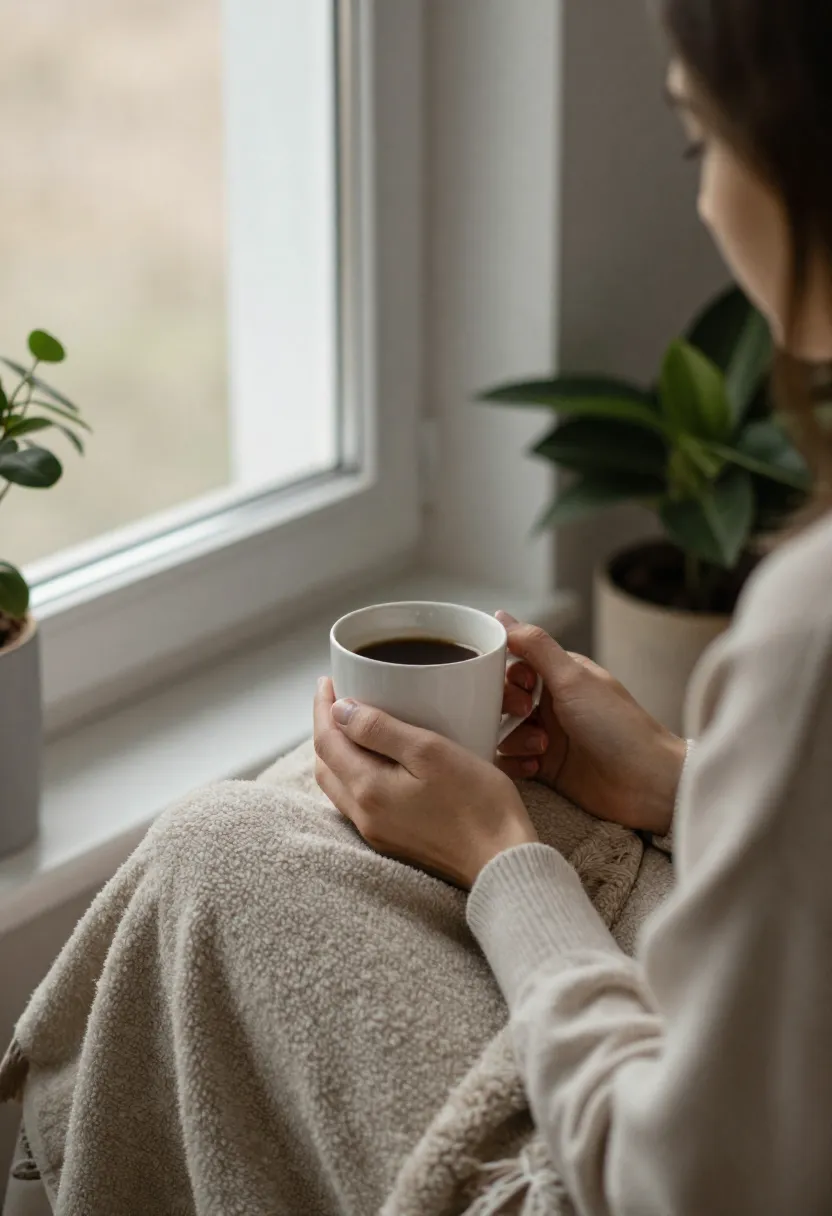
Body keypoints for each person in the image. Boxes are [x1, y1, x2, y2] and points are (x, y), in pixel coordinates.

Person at [313, 0, 832, 1210]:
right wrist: (675, 779)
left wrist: (502, 854)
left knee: (215, 860)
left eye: (700, 142)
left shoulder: (809, 623)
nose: (705, 204)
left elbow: (679, 1182)